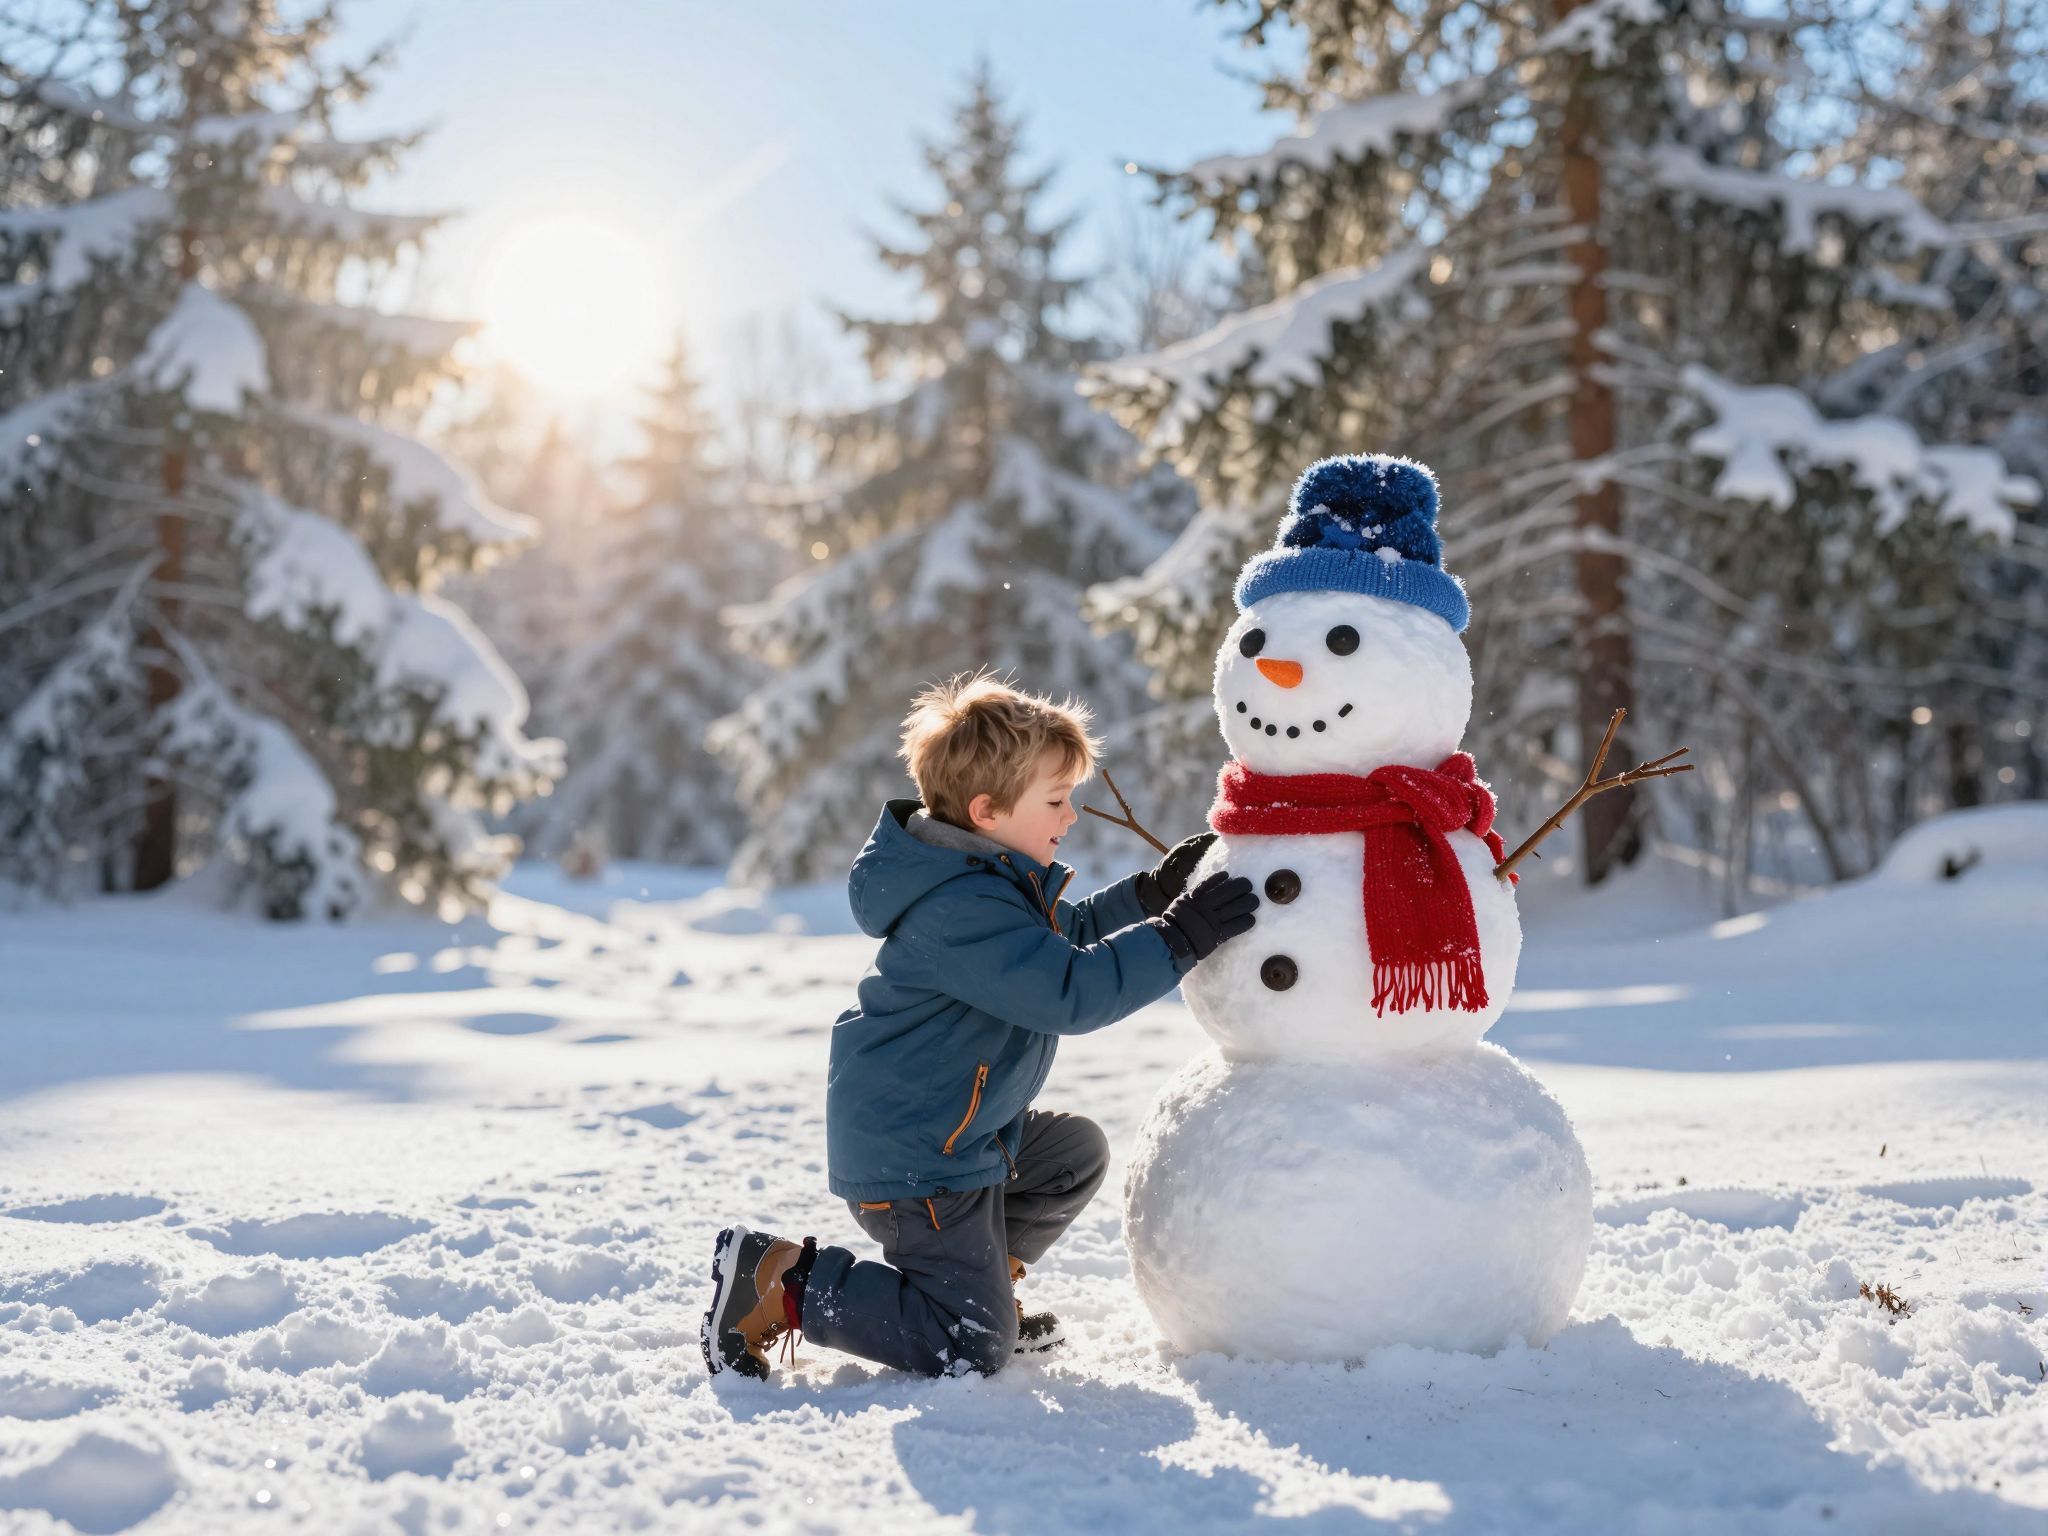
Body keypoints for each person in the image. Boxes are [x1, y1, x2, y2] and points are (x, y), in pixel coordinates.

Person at [701, 672, 1258, 1380]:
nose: (1072, 815)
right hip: (919, 1163)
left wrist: (1147, 896)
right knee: (968, 1347)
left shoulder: (985, 883)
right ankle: (782, 1282)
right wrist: (1179, 937)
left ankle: (982, 1287)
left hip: (958, 1137)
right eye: (1056, 801)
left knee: (1071, 1154)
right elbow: (1070, 990)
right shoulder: (960, 909)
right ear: (987, 809)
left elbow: (1064, 936)